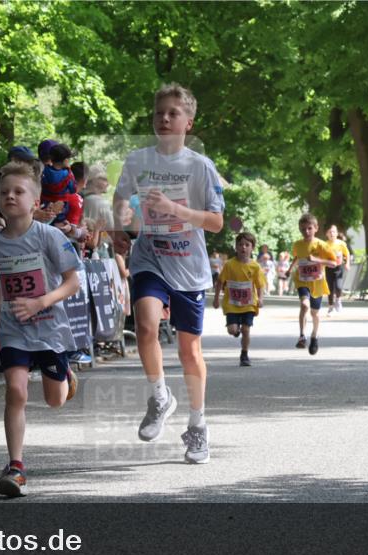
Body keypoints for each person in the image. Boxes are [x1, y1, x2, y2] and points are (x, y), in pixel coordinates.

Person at [112, 83, 225, 464]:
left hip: (189, 267)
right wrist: (121, 225)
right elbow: (120, 202)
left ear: (188, 123)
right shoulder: (137, 160)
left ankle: (197, 425)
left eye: (173, 113)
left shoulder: (200, 166)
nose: (164, 118)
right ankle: (159, 396)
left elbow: (216, 222)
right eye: (159, 112)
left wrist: (176, 211)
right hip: (150, 258)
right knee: (145, 325)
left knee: (189, 351)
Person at [0, 161, 82, 497]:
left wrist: (41, 302)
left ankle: (65, 373)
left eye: (19, 191)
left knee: (54, 401)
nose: (10, 196)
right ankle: (16, 466)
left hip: (50, 328)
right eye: (5, 191)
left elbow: (73, 283)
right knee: (16, 391)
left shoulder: (50, 237)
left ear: (35, 202)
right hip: (15, 329)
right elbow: (1, 278)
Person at [213, 232, 266, 367]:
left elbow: (260, 285)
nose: (243, 248)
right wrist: (216, 299)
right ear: (236, 247)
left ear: (252, 248)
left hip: (248, 304)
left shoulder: (255, 266)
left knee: (246, 329)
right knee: (232, 330)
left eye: (247, 245)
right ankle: (236, 330)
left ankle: (244, 354)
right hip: (232, 304)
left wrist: (260, 298)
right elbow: (220, 282)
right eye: (240, 245)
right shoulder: (229, 265)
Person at [289, 213, 338, 355]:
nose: (306, 232)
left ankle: (314, 336)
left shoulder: (321, 245)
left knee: (314, 313)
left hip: (317, 283)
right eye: (303, 229)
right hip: (302, 280)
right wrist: (289, 270)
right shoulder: (297, 244)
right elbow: (297, 257)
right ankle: (302, 336)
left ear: (316, 228)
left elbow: (334, 263)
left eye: (309, 228)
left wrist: (317, 260)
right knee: (304, 305)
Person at [41, 144, 77, 225]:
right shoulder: (68, 174)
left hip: (45, 206)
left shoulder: (44, 170)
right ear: (65, 160)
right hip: (61, 208)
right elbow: (73, 189)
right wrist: (69, 169)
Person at [324, 224, 351, 313]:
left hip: (338, 268)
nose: (332, 233)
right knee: (330, 289)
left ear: (336, 233)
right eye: (330, 232)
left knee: (338, 287)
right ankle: (331, 306)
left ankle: (338, 300)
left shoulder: (341, 243)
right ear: (327, 234)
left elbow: (347, 254)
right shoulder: (325, 244)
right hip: (328, 268)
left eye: (333, 232)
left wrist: (347, 263)